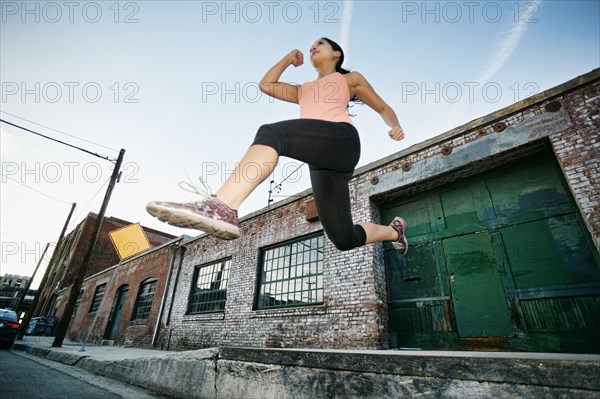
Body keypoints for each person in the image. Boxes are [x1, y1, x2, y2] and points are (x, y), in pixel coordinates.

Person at [146, 38, 408, 254]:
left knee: (271, 133)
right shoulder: (302, 89)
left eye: (320, 44)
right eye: (310, 47)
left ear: (336, 54)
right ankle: (394, 232)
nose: (312, 47)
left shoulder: (350, 79)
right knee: (343, 238)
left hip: (342, 141)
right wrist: (285, 60)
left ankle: (222, 206)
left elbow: (382, 107)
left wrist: (393, 125)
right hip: (319, 160)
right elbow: (266, 85)